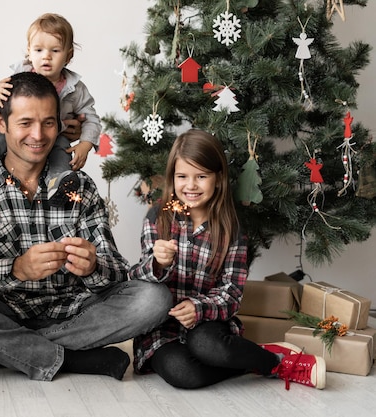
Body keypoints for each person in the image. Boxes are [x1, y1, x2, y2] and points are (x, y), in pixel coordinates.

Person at [0, 71, 171, 382]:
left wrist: (93, 265)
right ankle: (67, 358)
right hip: (1, 310)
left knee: (153, 298)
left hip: (73, 312)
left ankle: (5, 350)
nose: (38, 135)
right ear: (1, 124)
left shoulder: (79, 187)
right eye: (25, 123)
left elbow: (118, 271)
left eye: (48, 123)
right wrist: (17, 269)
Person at [129, 129, 326, 390]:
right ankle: (245, 360)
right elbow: (136, 281)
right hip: (162, 329)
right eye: (182, 176)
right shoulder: (158, 218)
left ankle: (273, 361)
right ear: (172, 178)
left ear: (218, 179)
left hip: (208, 324)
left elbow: (231, 295)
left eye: (201, 176)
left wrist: (198, 308)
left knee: (207, 346)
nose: (190, 185)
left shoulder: (230, 229)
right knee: (183, 373)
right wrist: (157, 263)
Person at [0, 13, 99, 206]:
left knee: (62, 153)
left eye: (55, 50)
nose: (46, 56)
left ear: (68, 55)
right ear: (29, 52)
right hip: (10, 137)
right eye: (39, 50)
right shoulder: (18, 76)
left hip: (57, 137)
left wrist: (85, 144)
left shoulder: (76, 88)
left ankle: (59, 186)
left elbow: (91, 118)